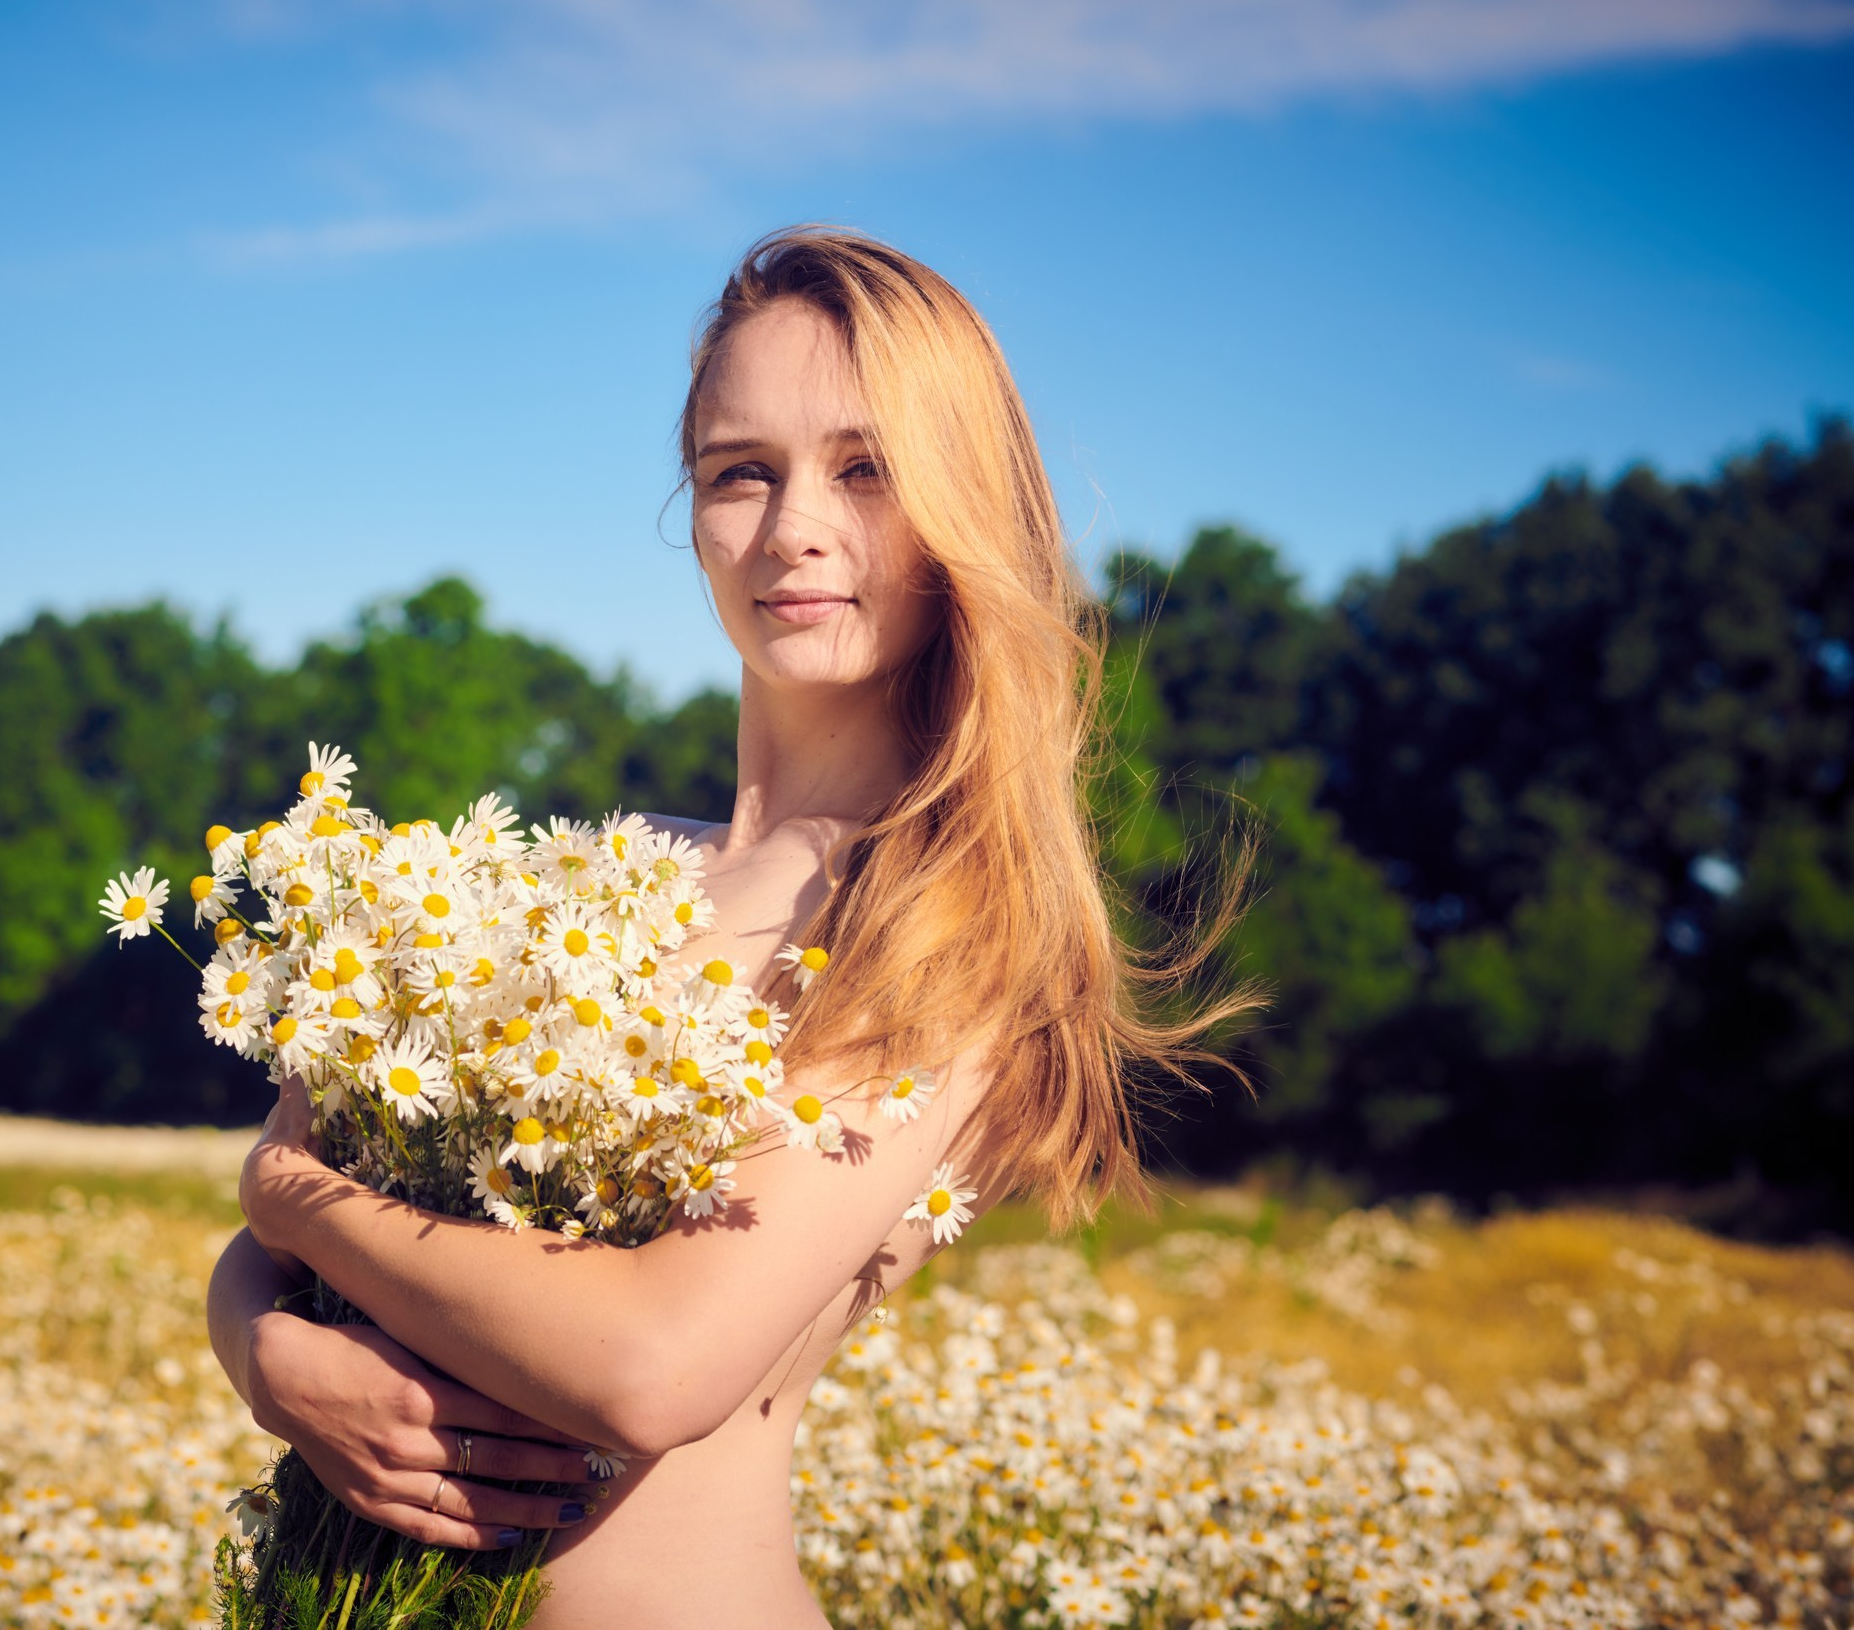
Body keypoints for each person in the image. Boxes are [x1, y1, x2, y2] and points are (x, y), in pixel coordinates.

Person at [204, 226, 1237, 1628]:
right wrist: (270, 1353)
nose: (794, 525)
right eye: (740, 471)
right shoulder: (573, 878)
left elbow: (653, 1364)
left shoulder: (944, 928)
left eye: (865, 469)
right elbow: (280, 1225)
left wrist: (291, 1198)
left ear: (964, 508)